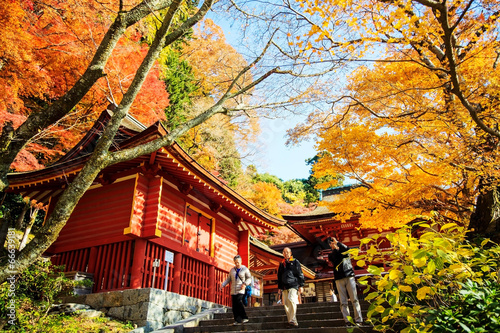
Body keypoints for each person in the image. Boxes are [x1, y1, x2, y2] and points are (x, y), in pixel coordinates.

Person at [328, 237, 363, 325]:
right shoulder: (331, 255)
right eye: (331, 243)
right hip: (339, 278)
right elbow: (335, 258)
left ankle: (358, 320)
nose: (333, 243)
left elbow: (347, 250)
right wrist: (335, 248)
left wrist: (338, 243)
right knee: (343, 301)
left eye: (334, 242)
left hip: (349, 275)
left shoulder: (344, 251)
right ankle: (347, 320)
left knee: (354, 299)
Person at [277, 247, 305, 328]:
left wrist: (301, 285)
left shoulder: (295, 262)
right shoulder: (282, 264)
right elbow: (279, 276)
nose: (286, 253)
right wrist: (279, 287)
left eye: (287, 252)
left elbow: (300, 273)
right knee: (286, 304)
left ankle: (293, 320)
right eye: (284, 252)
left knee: (292, 300)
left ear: (290, 253)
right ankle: (291, 322)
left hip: (293, 285)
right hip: (284, 286)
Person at [220, 255, 252, 325]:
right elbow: (228, 279)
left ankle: (245, 317)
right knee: (234, 306)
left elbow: (249, 278)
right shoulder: (232, 270)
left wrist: (245, 284)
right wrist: (223, 285)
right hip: (233, 290)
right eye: (235, 262)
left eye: (238, 262)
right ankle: (237, 320)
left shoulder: (245, 269)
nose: (237, 264)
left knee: (239, 302)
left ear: (241, 261)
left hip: (240, 289)